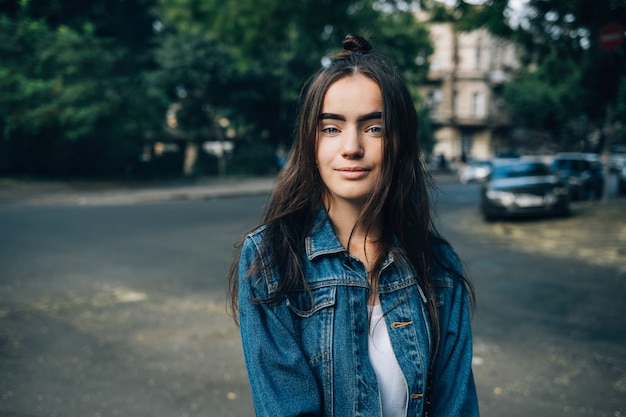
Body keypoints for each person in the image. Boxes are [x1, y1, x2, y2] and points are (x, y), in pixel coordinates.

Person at [228, 34, 479, 417]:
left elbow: (457, 408)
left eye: (373, 128)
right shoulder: (272, 260)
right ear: (310, 143)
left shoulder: (439, 266)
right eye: (331, 127)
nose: (351, 147)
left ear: (400, 142)